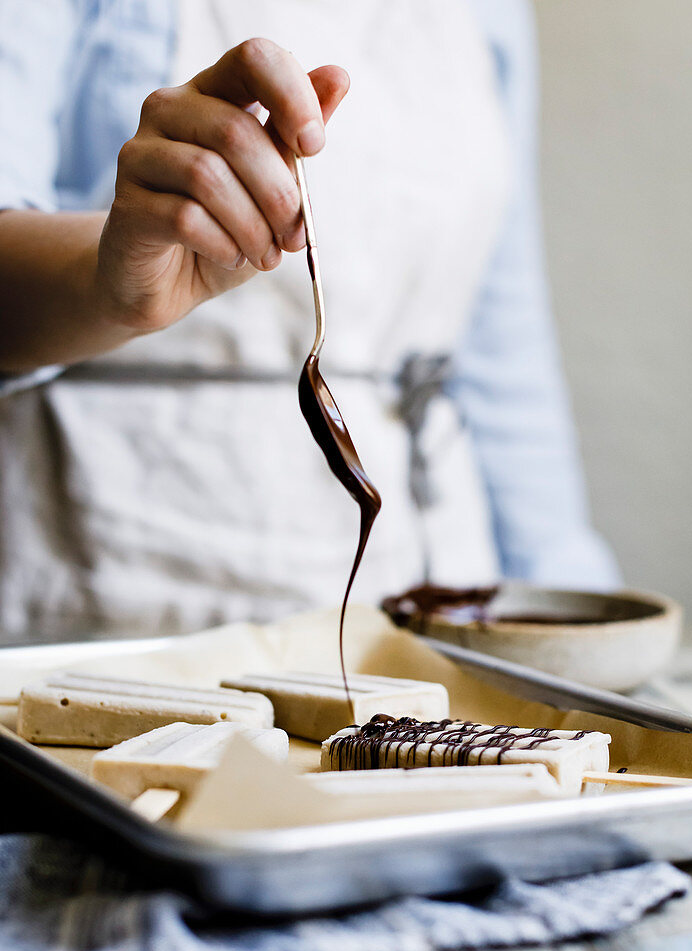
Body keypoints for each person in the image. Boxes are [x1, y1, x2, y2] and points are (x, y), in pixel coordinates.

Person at [0, 0, 618, 641]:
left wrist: (583, 622)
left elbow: (498, 365)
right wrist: (112, 286)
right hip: (110, 600)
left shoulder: (493, 15)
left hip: (427, 605)